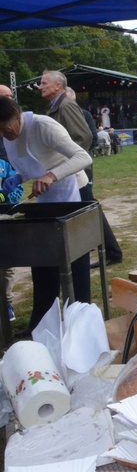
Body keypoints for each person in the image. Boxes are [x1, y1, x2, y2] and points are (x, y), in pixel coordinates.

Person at [0, 95, 93, 335]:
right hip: (44, 199)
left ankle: (80, 323)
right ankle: (43, 325)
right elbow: (30, 165)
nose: (5, 135)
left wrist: (52, 176)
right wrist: (19, 178)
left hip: (72, 194)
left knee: (75, 263)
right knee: (42, 263)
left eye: (5, 128)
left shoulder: (44, 126)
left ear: (16, 114)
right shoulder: (9, 134)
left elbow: (83, 157)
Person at [41, 78, 123, 267]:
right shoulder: (57, 106)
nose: (40, 86)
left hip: (74, 171)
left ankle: (107, 252)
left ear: (57, 86)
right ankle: (105, 252)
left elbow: (83, 137)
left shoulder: (66, 106)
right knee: (88, 210)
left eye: (44, 83)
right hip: (71, 170)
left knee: (88, 210)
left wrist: (70, 164)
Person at [0, 85, 24, 322]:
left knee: (5, 263)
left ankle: (6, 303)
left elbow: (17, 185)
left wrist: (7, 196)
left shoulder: (6, 158)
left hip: (4, 215)